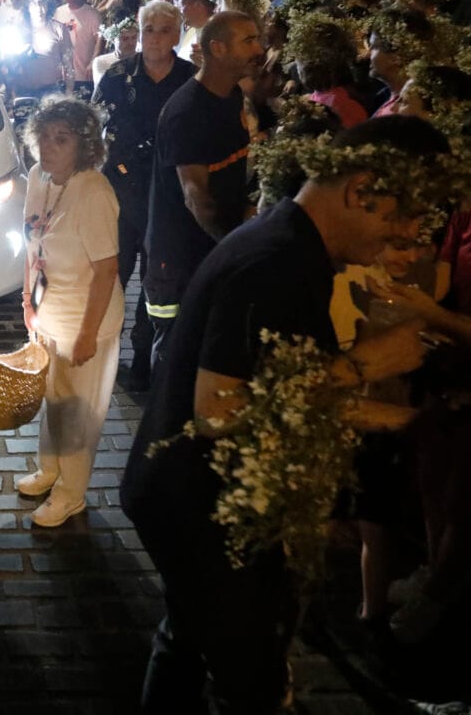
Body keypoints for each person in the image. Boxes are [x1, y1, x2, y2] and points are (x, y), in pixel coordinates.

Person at [121, 116, 447, 712]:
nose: (410, 233)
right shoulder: (274, 261)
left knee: (185, 642)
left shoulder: (290, 241)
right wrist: (364, 363)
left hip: (188, 494)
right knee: (253, 685)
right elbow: (220, 411)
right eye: (406, 214)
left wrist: (401, 421)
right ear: (361, 190)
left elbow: (279, 385)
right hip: (198, 508)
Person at [18, 97, 125, 527]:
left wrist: (86, 334)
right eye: (44, 136)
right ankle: (50, 469)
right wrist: (27, 302)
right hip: (49, 311)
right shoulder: (37, 177)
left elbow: (106, 270)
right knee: (54, 398)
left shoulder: (93, 192)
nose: (48, 146)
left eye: (61, 139)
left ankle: (70, 493)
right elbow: (32, 245)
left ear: (84, 145)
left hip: (87, 318)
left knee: (79, 412)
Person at [144, 11, 262, 373]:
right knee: (177, 355)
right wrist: (235, 247)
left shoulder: (230, 96)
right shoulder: (188, 112)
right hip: (181, 260)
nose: (259, 49)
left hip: (211, 252)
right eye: (248, 41)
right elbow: (196, 197)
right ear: (218, 48)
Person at [92, 1, 195, 391]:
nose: (154, 38)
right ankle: (104, 356)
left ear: (177, 35)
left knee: (157, 284)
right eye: (148, 29)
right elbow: (94, 130)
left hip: (166, 201)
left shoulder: (191, 79)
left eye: (164, 30)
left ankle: (143, 360)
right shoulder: (118, 76)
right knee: (112, 278)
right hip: (118, 198)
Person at [53, 0, 102, 95]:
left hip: (84, 74)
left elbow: (100, 40)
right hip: (63, 75)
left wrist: (93, 62)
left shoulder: (92, 14)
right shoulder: (58, 12)